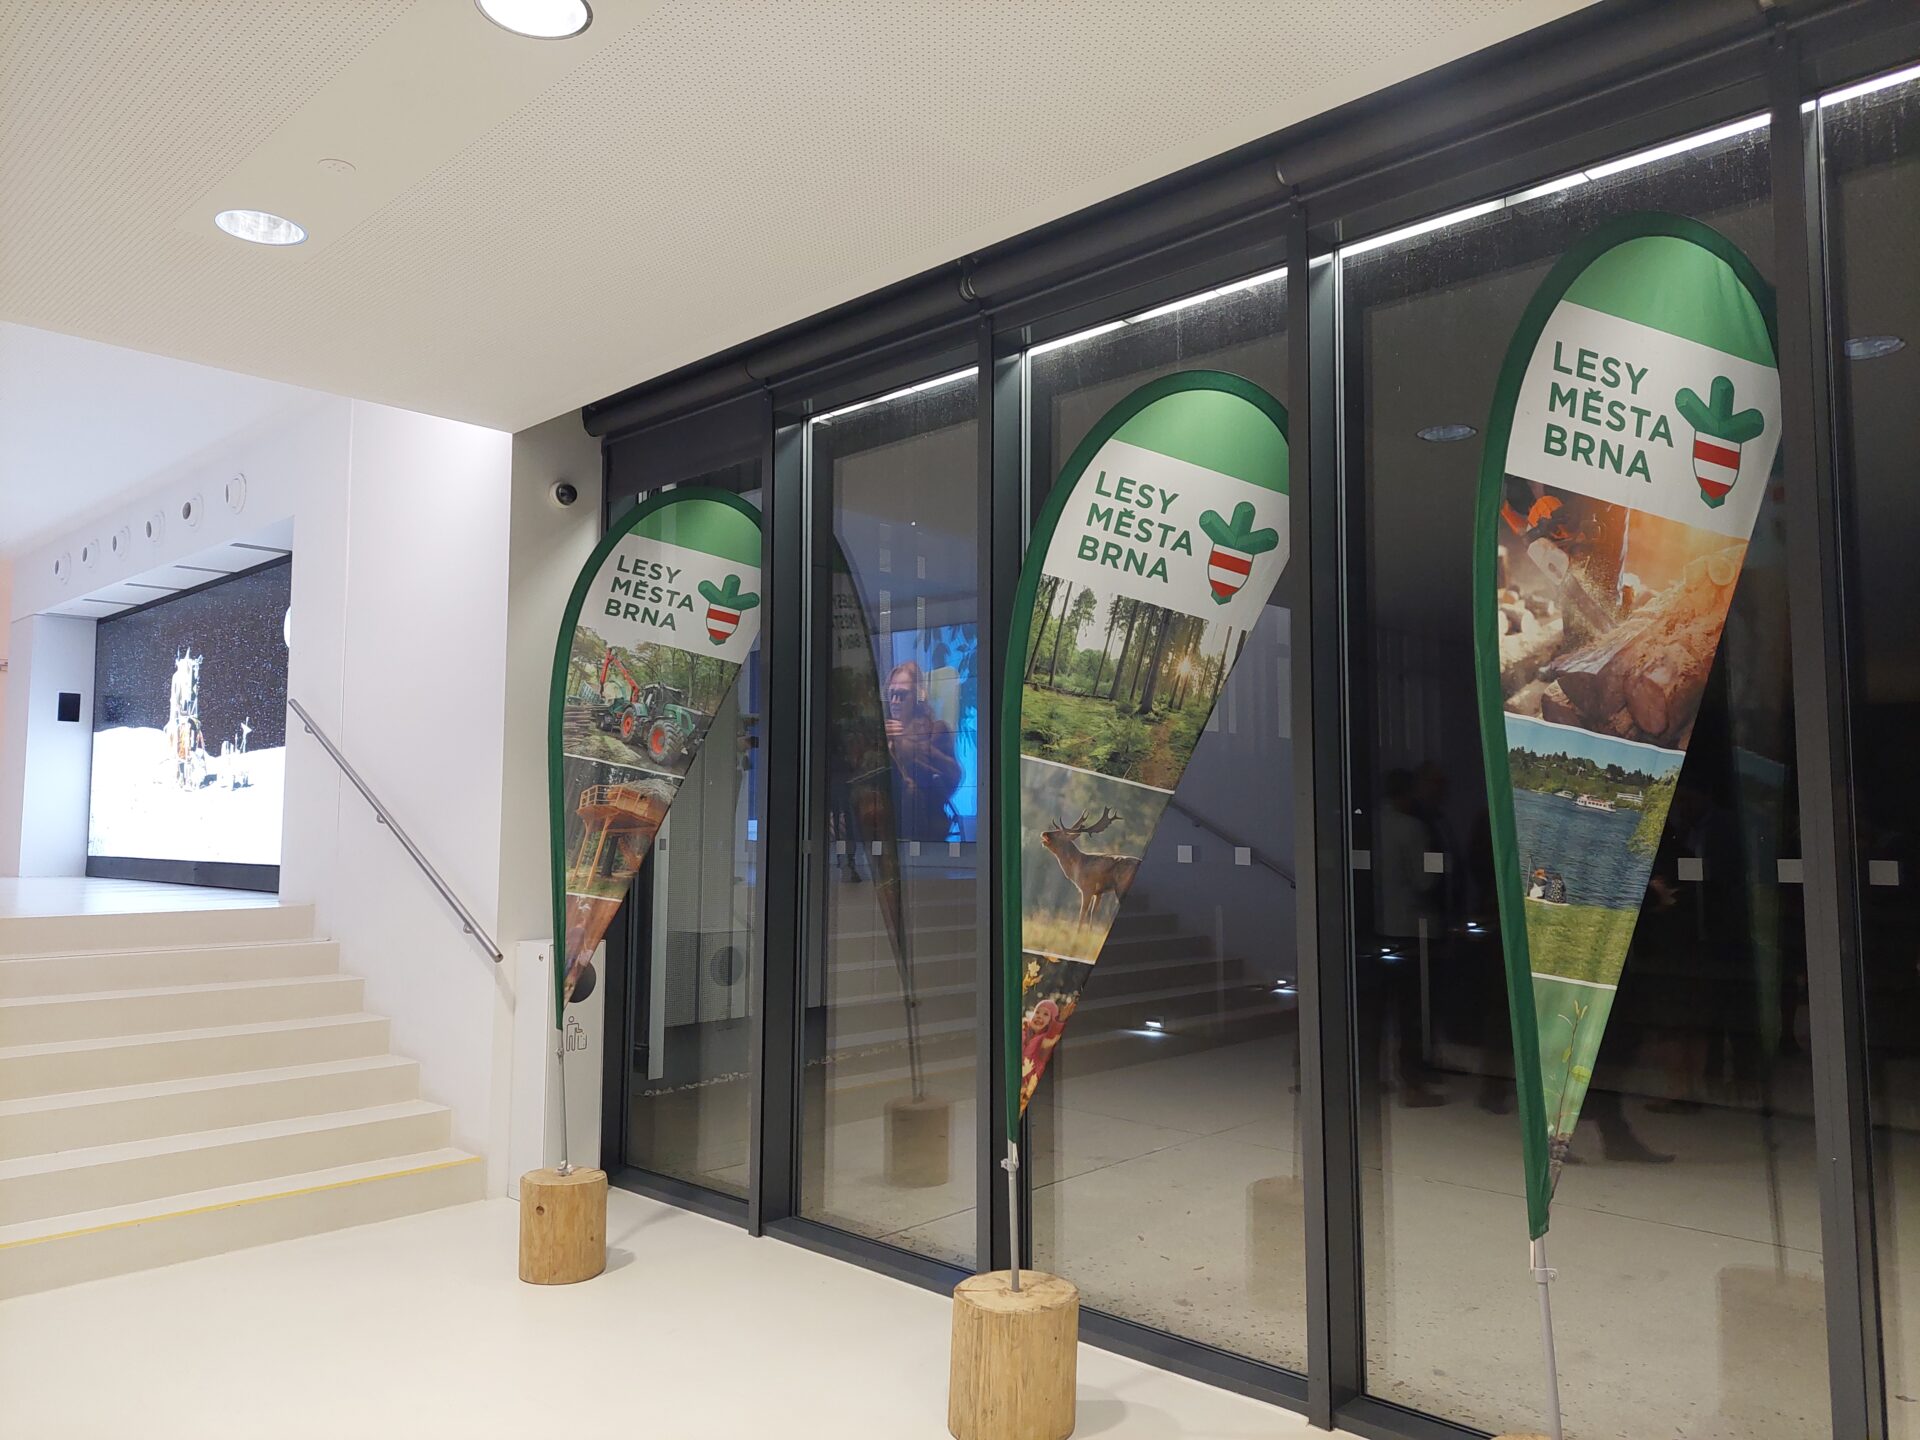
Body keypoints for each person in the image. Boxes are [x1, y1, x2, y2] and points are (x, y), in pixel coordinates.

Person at [884, 661, 962, 840]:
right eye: (891, 694)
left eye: (902, 695)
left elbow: (952, 778)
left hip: (921, 825)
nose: (894, 701)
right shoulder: (880, 732)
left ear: (918, 697)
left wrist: (903, 745)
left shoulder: (936, 731)